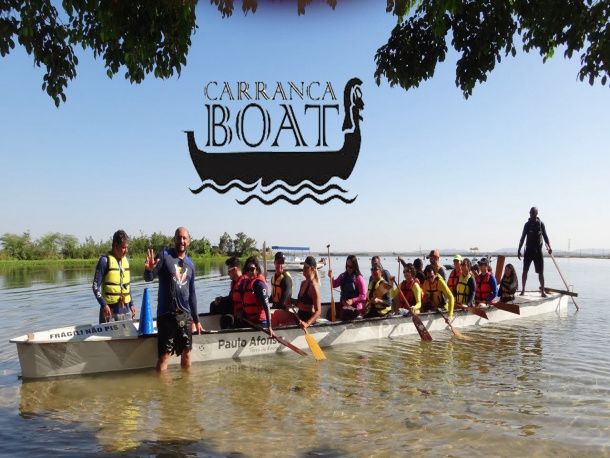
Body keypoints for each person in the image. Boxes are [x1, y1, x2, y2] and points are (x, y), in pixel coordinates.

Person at [144, 226, 203, 372]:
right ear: (174, 239)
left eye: (184, 238)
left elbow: (192, 294)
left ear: (189, 241)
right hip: (167, 315)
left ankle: (186, 385)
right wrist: (149, 270)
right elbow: (149, 278)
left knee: (187, 354)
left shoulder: (190, 264)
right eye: (178, 237)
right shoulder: (164, 256)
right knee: (165, 356)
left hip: (185, 315)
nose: (181, 241)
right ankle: (162, 386)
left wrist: (196, 320)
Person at [92, 229, 136, 323]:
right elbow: (95, 287)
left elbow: (127, 286)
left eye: (127, 247)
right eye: (123, 248)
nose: (126, 251)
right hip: (109, 312)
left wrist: (131, 304)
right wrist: (103, 305)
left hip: (126, 311)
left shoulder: (126, 261)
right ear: (115, 246)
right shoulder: (104, 261)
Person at [518, 206, 552, 297]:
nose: (531, 214)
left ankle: (542, 292)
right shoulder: (527, 225)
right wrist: (519, 249)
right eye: (530, 213)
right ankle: (523, 290)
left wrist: (549, 247)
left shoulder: (541, 224)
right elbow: (522, 237)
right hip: (528, 251)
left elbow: (545, 236)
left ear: (537, 213)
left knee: (541, 272)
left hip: (538, 251)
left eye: (533, 213)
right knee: (525, 271)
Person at [239, 256, 274, 333]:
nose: (249, 271)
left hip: (261, 322)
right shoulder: (246, 283)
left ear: (257, 270)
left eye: (252, 269)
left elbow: (266, 306)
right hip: (250, 320)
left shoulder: (259, 285)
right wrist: (242, 313)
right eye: (247, 269)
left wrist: (269, 327)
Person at [210, 256, 247, 329]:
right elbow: (231, 298)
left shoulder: (244, 283)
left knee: (225, 319)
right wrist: (221, 299)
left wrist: (242, 312)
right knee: (214, 305)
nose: (228, 273)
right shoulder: (234, 283)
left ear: (235, 269)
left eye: (229, 271)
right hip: (234, 308)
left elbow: (247, 300)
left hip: (243, 314)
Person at [328, 254, 367, 320]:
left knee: (344, 312)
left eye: (350, 267)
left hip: (355, 307)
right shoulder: (343, 276)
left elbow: (363, 296)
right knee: (330, 311)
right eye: (347, 266)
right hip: (344, 305)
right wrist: (331, 277)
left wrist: (352, 301)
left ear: (355, 266)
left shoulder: (359, 278)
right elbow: (334, 285)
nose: (348, 268)